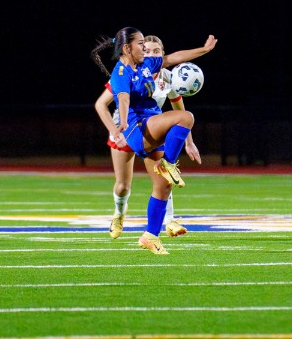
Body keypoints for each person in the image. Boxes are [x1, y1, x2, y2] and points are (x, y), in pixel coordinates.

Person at [92, 27, 217, 255]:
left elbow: (174, 57)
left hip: (151, 126)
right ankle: (166, 166)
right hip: (135, 129)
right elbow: (122, 99)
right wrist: (119, 125)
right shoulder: (121, 73)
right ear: (127, 48)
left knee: (163, 186)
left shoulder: (146, 66)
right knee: (185, 117)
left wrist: (204, 50)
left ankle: (150, 236)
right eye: (140, 44)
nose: (145, 49)